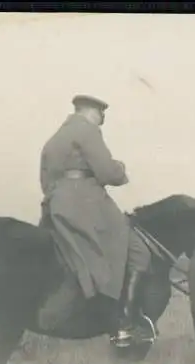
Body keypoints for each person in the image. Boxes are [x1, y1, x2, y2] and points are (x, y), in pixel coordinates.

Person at [38, 94, 154, 344]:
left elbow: (44, 180)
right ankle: (124, 323)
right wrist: (121, 170)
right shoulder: (87, 131)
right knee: (137, 252)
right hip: (87, 203)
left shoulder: (55, 138)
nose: (103, 119)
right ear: (92, 112)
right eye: (102, 114)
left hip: (57, 204)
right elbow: (107, 171)